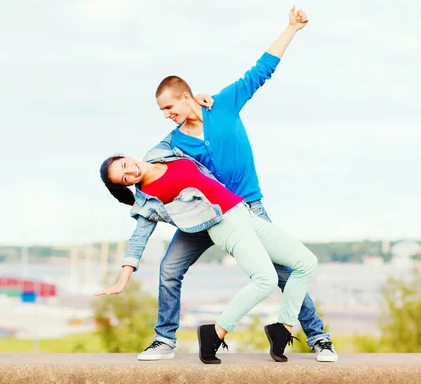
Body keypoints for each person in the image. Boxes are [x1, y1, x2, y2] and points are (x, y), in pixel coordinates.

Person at [142, 5, 339, 362]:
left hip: (248, 207)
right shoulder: (173, 143)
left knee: (287, 270)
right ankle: (164, 340)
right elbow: (146, 166)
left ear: (186, 96)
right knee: (169, 269)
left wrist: (291, 29)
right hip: (204, 215)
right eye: (162, 111)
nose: (167, 114)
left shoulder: (225, 104)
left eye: (170, 106)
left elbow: (261, 69)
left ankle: (318, 337)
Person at [95, 151, 318, 364]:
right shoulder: (147, 201)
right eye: (125, 178)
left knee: (306, 263)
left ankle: (283, 329)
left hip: (243, 210)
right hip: (224, 223)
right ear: (127, 185)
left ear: (127, 157)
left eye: (125, 165)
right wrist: (122, 280)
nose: (131, 172)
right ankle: (215, 332)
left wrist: (206, 108)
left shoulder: (163, 153)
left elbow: (189, 125)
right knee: (265, 280)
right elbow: (138, 240)